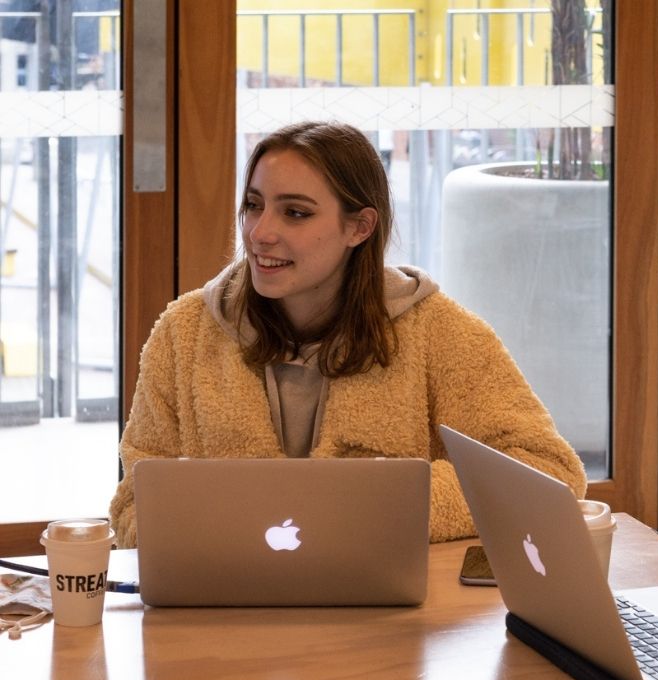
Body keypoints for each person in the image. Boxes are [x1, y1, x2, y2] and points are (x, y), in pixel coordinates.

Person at [110, 121, 586, 546]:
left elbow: (550, 472)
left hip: (391, 618)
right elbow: (134, 504)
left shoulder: (438, 332)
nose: (259, 233)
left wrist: (380, 506)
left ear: (359, 227)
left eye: (295, 212)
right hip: (221, 610)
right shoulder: (185, 332)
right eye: (254, 205)